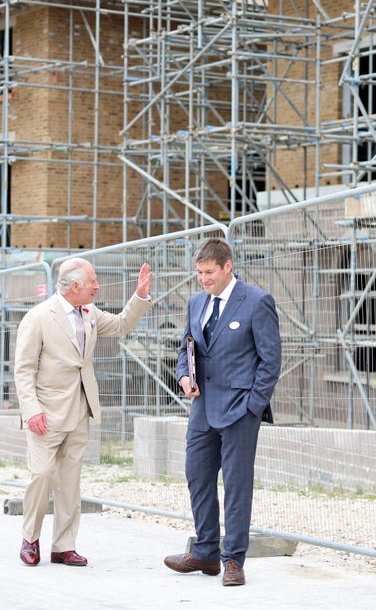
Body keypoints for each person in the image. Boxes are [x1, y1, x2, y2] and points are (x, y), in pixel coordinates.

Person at [14, 257, 153, 567]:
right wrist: (32, 410)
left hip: (80, 409)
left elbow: (120, 326)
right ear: (74, 286)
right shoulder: (37, 318)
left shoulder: (89, 312)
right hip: (45, 414)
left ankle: (64, 546)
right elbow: (23, 370)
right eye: (93, 281)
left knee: (70, 480)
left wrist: (139, 295)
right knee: (41, 476)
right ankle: (30, 538)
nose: (97, 286)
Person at [165, 238, 281, 587]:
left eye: (209, 272)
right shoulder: (196, 302)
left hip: (238, 411)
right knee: (197, 477)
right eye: (199, 272)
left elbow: (270, 360)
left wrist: (252, 407)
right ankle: (205, 551)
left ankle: (233, 559)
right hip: (202, 409)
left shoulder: (257, 302)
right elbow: (186, 348)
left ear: (228, 266)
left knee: (236, 485)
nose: (203, 279)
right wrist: (184, 376)